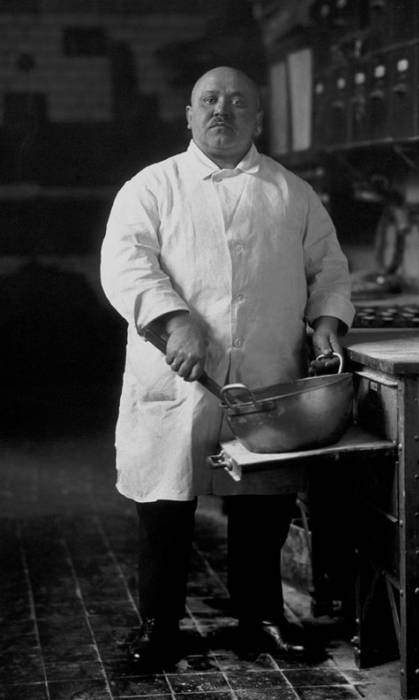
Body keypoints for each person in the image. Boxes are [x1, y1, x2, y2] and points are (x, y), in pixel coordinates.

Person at [100, 65, 354, 667]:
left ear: (258, 118)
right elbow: (126, 266)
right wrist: (173, 320)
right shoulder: (151, 187)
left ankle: (261, 620)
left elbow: (330, 270)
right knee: (165, 507)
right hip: (178, 375)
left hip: (266, 375)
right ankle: (160, 627)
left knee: (261, 508)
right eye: (208, 100)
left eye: (238, 102)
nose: (223, 110)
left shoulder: (291, 192)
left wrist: (326, 323)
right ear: (188, 115)